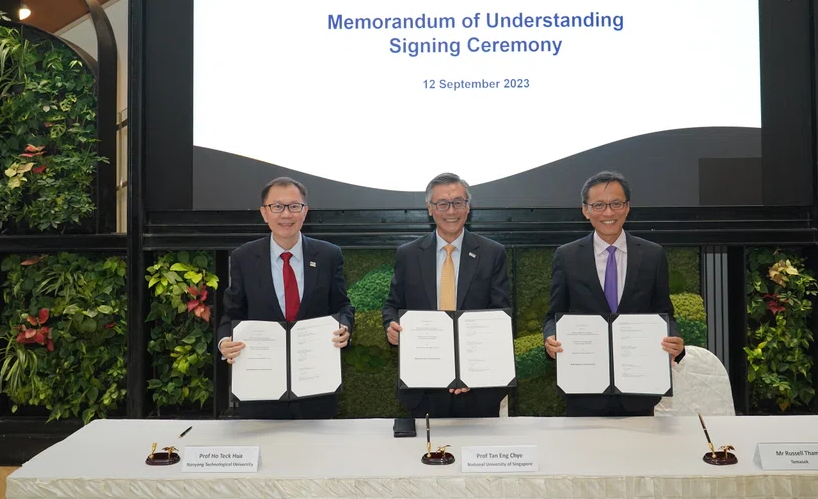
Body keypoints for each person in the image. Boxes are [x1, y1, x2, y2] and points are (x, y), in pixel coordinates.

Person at [543, 170, 685, 417]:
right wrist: (550, 339)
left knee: (638, 456)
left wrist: (675, 341)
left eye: (616, 204)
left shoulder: (652, 255)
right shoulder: (566, 256)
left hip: (638, 392)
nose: (608, 213)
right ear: (585, 210)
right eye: (598, 205)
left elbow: (664, 314)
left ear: (627, 207)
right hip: (584, 391)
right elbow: (553, 315)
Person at [218, 177, 355, 419]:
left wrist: (344, 325)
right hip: (260, 387)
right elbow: (233, 313)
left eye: (294, 206)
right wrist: (224, 343)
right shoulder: (244, 258)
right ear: (264, 213)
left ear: (305, 212)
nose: (286, 214)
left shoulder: (328, 255)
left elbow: (342, 305)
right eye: (277, 206)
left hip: (316, 388)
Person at [382, 172, 511, 418]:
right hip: (424, 385)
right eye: (442, 203)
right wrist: (390, 325)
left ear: (468, 206)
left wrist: (472, 371)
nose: (451, 210)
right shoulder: (408, 254)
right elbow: (392, 305)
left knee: (478, 453)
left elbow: (500, 317)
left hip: (478, 387)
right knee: (424, 453)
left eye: (458, 202)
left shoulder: (492, 253)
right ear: (430, 209)